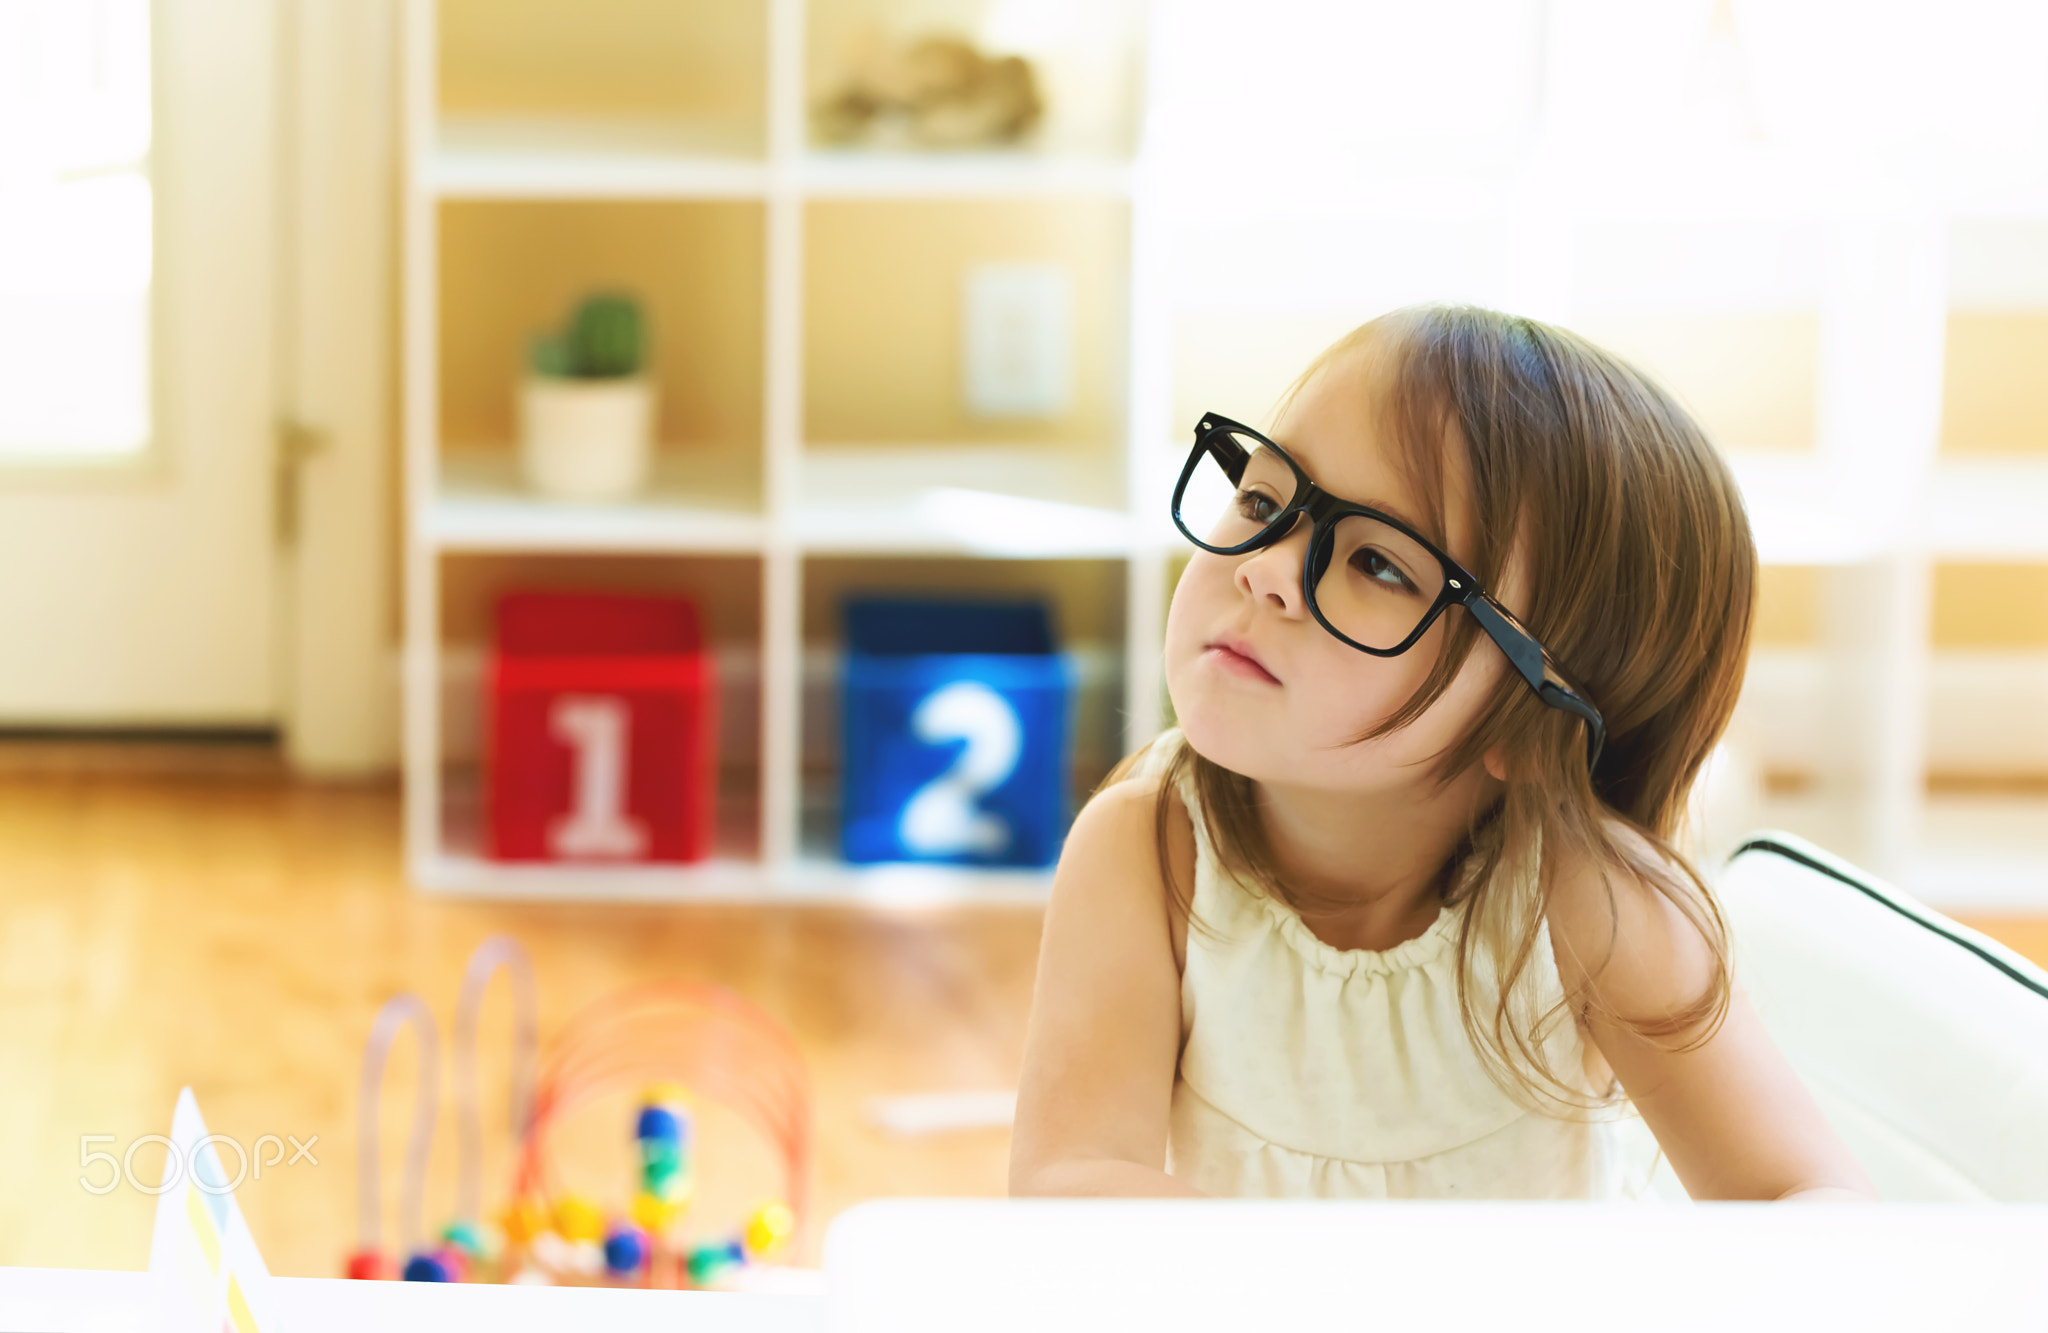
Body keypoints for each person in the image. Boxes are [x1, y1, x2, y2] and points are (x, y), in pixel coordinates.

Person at [1008, 305, 1875, 1202]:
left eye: (1379, 564)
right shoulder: (1153, 848)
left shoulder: (1584, 900)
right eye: (1265, 500)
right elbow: (1069, 1178)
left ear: (1527, 723)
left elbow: (1811, 1201)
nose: (1264, 568)